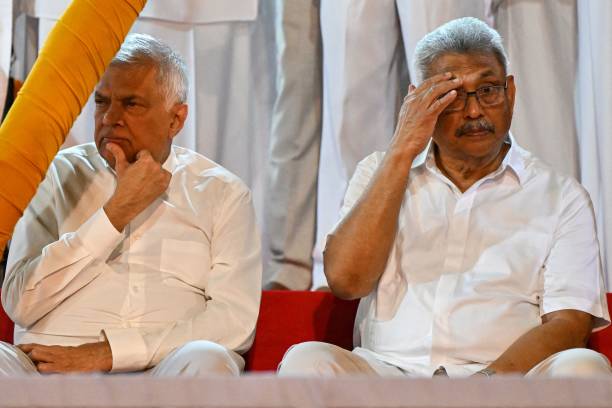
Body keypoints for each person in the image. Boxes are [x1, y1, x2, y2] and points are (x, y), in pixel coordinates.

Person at [278, 17, 610, 378]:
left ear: (510, 92)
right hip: (389, 373)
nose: (473, 111)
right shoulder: (380, 171)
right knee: (307, 362)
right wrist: (403, 150)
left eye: (488, 90)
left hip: (504, 381)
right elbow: (346, 281)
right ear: (420, 102)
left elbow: (569, 323)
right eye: (451, 95)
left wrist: (484, 387)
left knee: (584, 368)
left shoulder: (561, 196)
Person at [0, 34, 261, 376]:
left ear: (176, 119)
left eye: (131, 103)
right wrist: (114, 214)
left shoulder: (222, 192)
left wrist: (109, 354)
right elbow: (21, 302)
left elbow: (233, 323)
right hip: (47, 368)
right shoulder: (53, 176)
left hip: (163, 370)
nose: (110, 118)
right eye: (101, 101)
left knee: (207, 359)